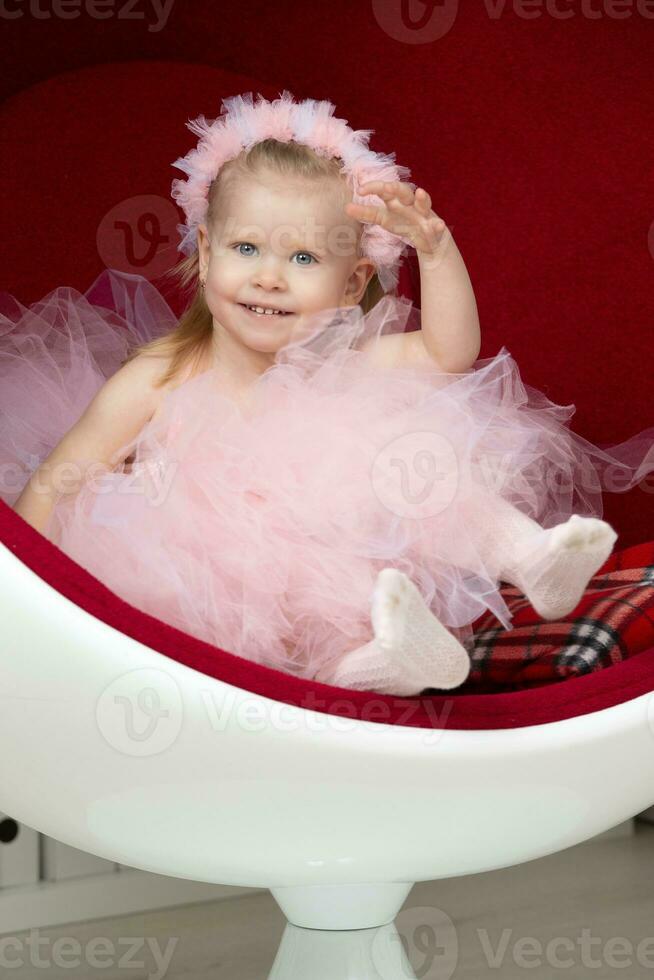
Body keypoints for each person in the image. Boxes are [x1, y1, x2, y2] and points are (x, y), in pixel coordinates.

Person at [3, 91, 653, 697]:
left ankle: (526, 557)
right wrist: (27, 606)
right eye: (247, 247)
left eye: (304, 259)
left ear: (352, 285)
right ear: (205, 254)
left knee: (414, 453)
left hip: (332, 575)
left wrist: (437, 248)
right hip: (213, 585)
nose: (269, 277)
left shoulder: (340, 367)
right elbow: (60, 480)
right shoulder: (160, 377)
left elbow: (445, 353)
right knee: (300, 621)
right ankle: (377, 664)